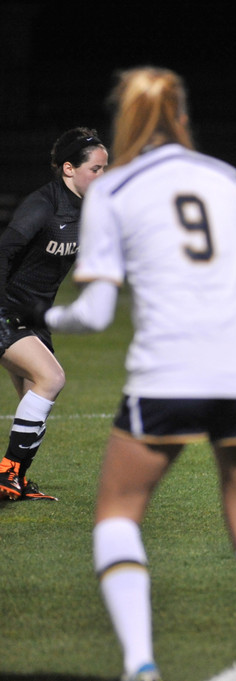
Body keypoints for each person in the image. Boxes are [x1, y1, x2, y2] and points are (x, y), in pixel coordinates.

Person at [35, 67, 236, 681]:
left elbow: (98, 312)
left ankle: (141, 664)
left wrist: (54, 315)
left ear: (124, 119)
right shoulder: (225, 178)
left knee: (118, 516)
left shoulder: (116, 191)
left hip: (166, 375)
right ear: (181, 114)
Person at [0, 127, 108, 501]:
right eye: (96, 169)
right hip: (6, 309)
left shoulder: (89, 210)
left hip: (33, 316)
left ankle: (15, 478)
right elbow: (4, 251)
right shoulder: (44, 204)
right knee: (51, 378)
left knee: (34, 392)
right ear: (68, 169)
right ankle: (7, 472)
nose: (102, 176)